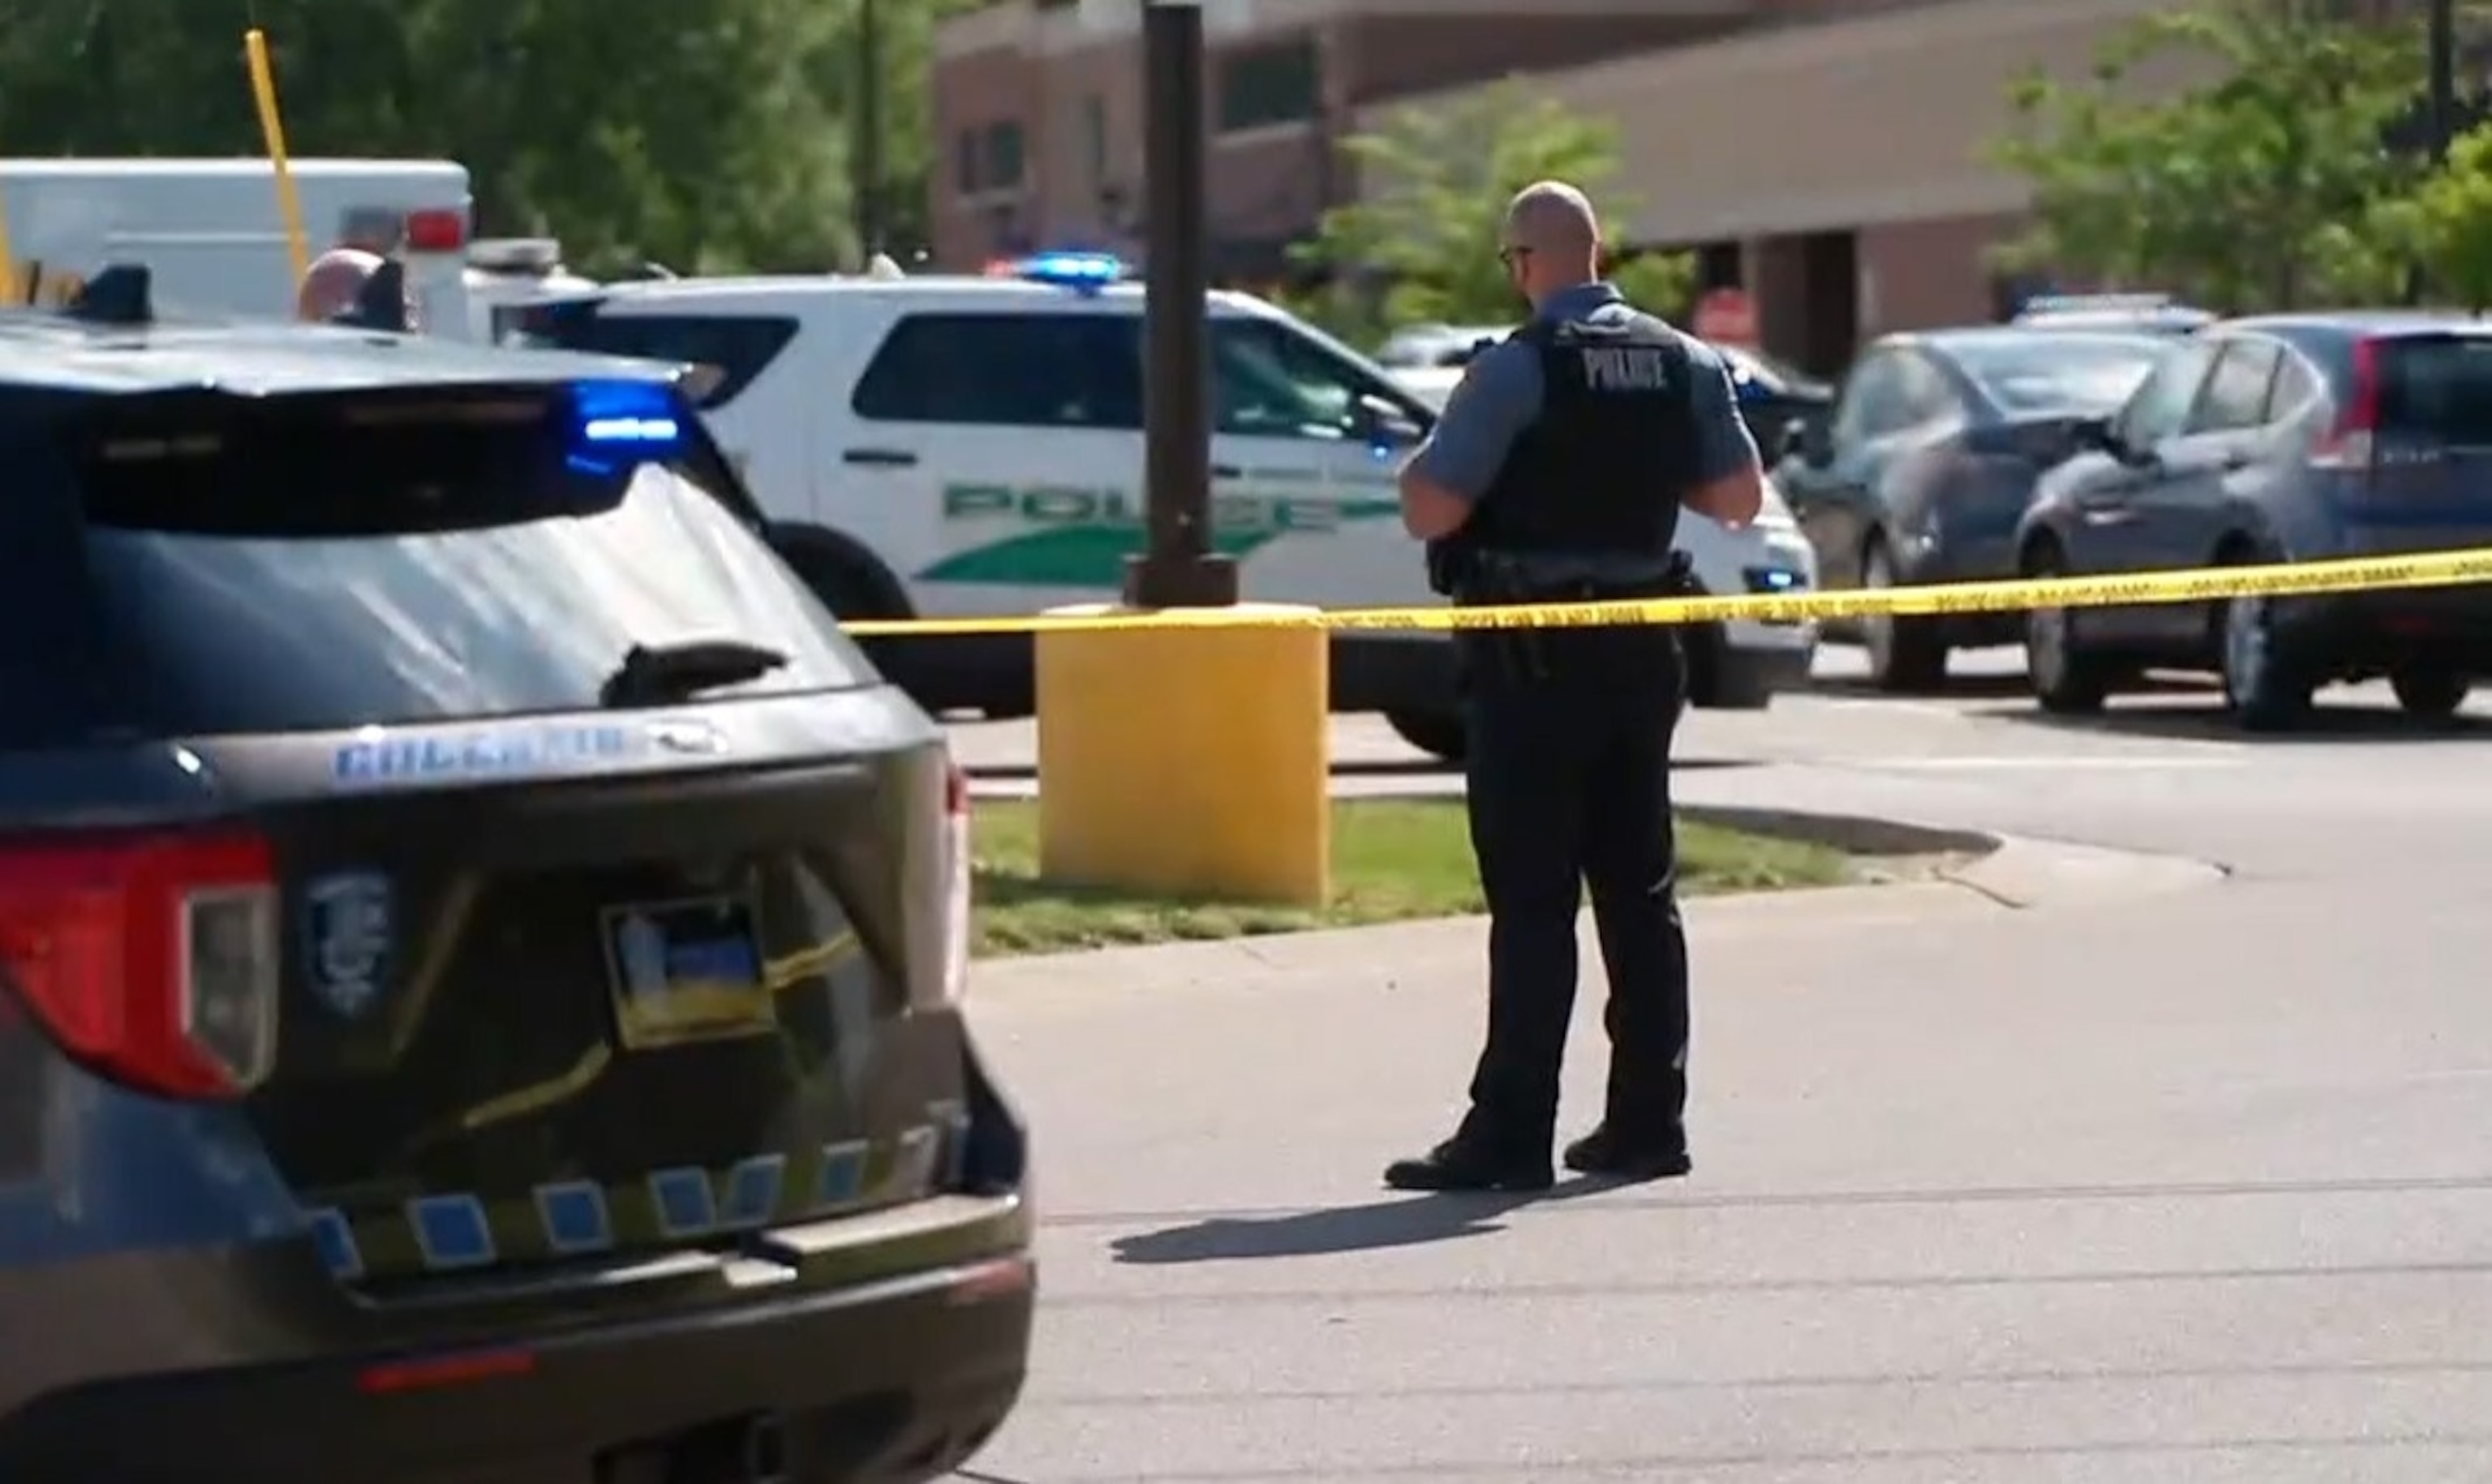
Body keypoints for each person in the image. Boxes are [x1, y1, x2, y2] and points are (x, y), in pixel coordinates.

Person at [1382, 180, 1767, 1194]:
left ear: (1525, 262)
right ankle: (1647, 1123)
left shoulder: (1517, 369)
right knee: (1640, 892)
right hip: (1641, 649)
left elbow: (1431, 507)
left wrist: (1435, 461)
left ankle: (1512, 1134)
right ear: (1598, 254)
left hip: (1534, 657)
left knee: (1534, 897)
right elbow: (1737, 497)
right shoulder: (1686, 361)